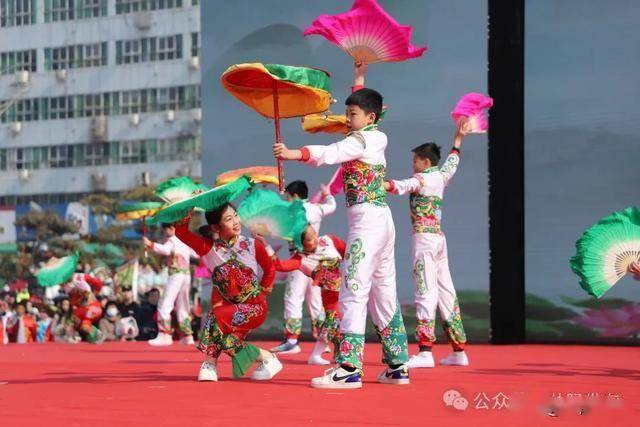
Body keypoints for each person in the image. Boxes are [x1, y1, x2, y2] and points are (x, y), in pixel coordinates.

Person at [274, 86, 410, 389]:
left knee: (353, 290)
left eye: (352, 114)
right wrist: (359, 77)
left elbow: (331, 153)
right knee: (384, 291)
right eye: (347, 113)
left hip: (367, 223)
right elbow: (352, 127)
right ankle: (397, 365)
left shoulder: (362, 139)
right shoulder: (374, 135)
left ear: (370, 116)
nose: (347, 119)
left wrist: (294, 153)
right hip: (380, 221)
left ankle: (349, 368)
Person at [385, 120, 471, 368]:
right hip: (439, 240)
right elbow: (452, 164)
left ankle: (425, 350)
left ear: (424, 161)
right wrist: (457, 142)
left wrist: (385, 184)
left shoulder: (422, 179)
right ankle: (458, 350)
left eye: (415, 161)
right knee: (446, 291)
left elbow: (405, 185)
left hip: (424, 239)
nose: (413, 165)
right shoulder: (440, 177)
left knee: (425, 290)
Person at [174, 203, 282, 382]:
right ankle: (268, 358)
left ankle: (209, 364)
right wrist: (190, 209)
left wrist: (263, 292)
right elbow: (182, 233)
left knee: (215, 316)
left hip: (254, 307)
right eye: (228, 219)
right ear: (216, 227)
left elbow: (270, 269)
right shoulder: (208, 249)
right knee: (229, 344)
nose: (236, 222)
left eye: (236, 215)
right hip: (233, 312)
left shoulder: (252, 244)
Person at [271, 181, 336, 355]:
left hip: (300, 260)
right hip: (317, 261)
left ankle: (292, 340)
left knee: (293, 297)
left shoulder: (291, 212)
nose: (287, 199)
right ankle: (324, 341)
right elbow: (332, 205)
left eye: (288, 196)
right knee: (316, 302)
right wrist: (327, 193)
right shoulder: (316, 209)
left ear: (294, 195)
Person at [266, 225, 346, 365]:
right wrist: (264, 244)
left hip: (348, 292)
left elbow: (349, 253)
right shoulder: (300, 259)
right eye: (309, 239)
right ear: (300, 244)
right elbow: (278, 265)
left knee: (340, 325)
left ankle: (339, 355)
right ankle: (316, 354)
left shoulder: (329, 240)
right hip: (332, 299)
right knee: (333, 321)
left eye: (314, 234)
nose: (315, 240)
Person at [143, 222, 199, 346]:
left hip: (175, 275)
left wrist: (150, 244)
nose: (165, 233)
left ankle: (164, 334)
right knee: (183, 306)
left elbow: (165, 250)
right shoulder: (184, 241)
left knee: (165, 303)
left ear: (171, 228)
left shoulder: (172, 240)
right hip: (186, 275)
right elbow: (196, 253)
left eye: (165, 230)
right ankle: (187, 335)